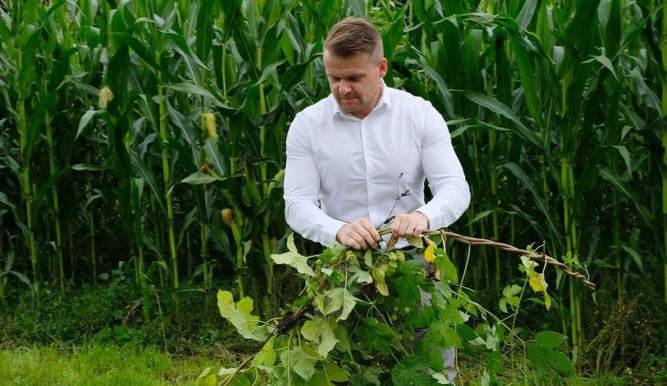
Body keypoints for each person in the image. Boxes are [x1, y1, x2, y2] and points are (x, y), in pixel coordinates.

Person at [283, 17, 470, 382]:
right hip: (342, 267)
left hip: (415, 258)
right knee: (347, 369)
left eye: (353, 78)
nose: (342, 89)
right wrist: (338, 230)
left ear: (381, 68)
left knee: (433, 362)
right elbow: (297, 203)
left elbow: (454, 187)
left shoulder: (419, 115)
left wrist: (424, 217)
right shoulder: (307, 125)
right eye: (334, 77)